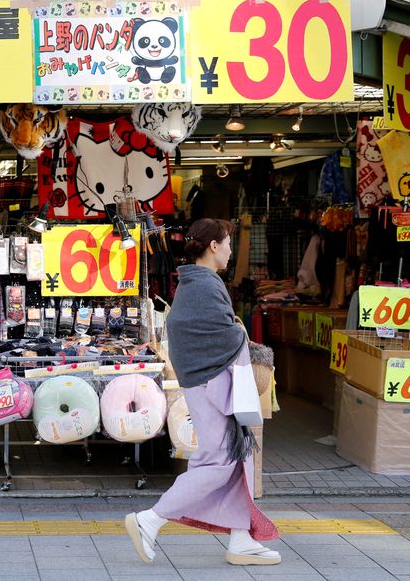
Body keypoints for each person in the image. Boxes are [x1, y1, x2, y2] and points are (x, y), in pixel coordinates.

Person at [125, 218, 281, 566]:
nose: (229, 250)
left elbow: (194, 330)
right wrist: (242, 336)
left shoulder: (196, 282)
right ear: (213, 246)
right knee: (218, 461)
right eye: (226, 243)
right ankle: (151, 519)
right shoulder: (205, 285)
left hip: (206, 380)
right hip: (212, 382)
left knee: (234, 459)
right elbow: (223, 333)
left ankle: (241, 539)